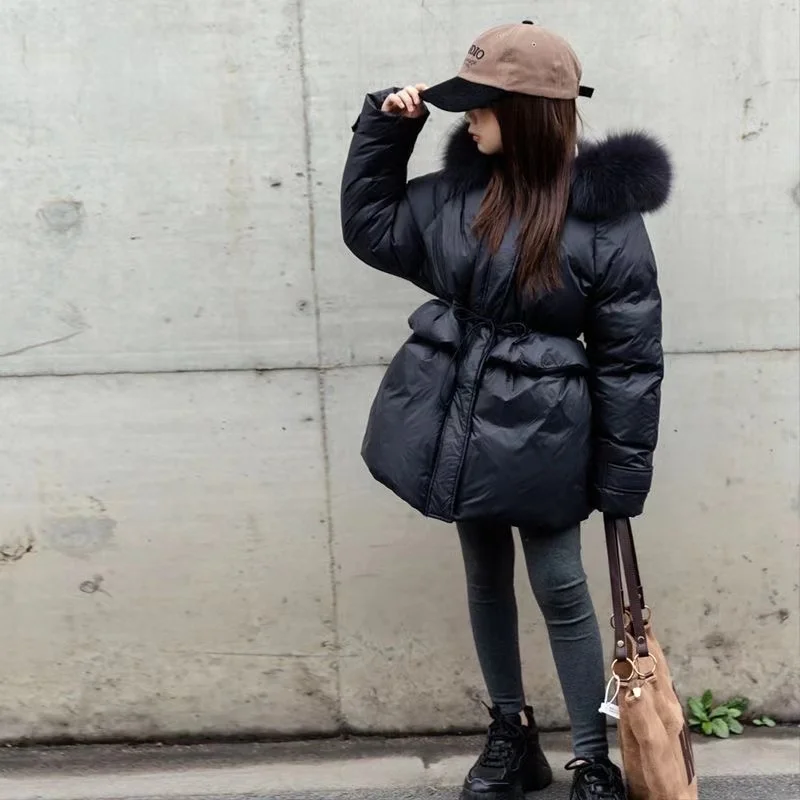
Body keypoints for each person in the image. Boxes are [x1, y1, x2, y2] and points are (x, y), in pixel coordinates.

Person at [340, 20, 671, 800]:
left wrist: (622, 479)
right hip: (461, 420)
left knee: (560, 586)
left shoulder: (604, 220)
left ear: (523, 112)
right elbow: (372, 229)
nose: (469, 118)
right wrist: (387, 135)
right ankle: (511, 737)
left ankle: (594, 756)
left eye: (481, 105)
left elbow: (630, 359)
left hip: (549, 430)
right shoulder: (459, 195)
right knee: (486, 577)